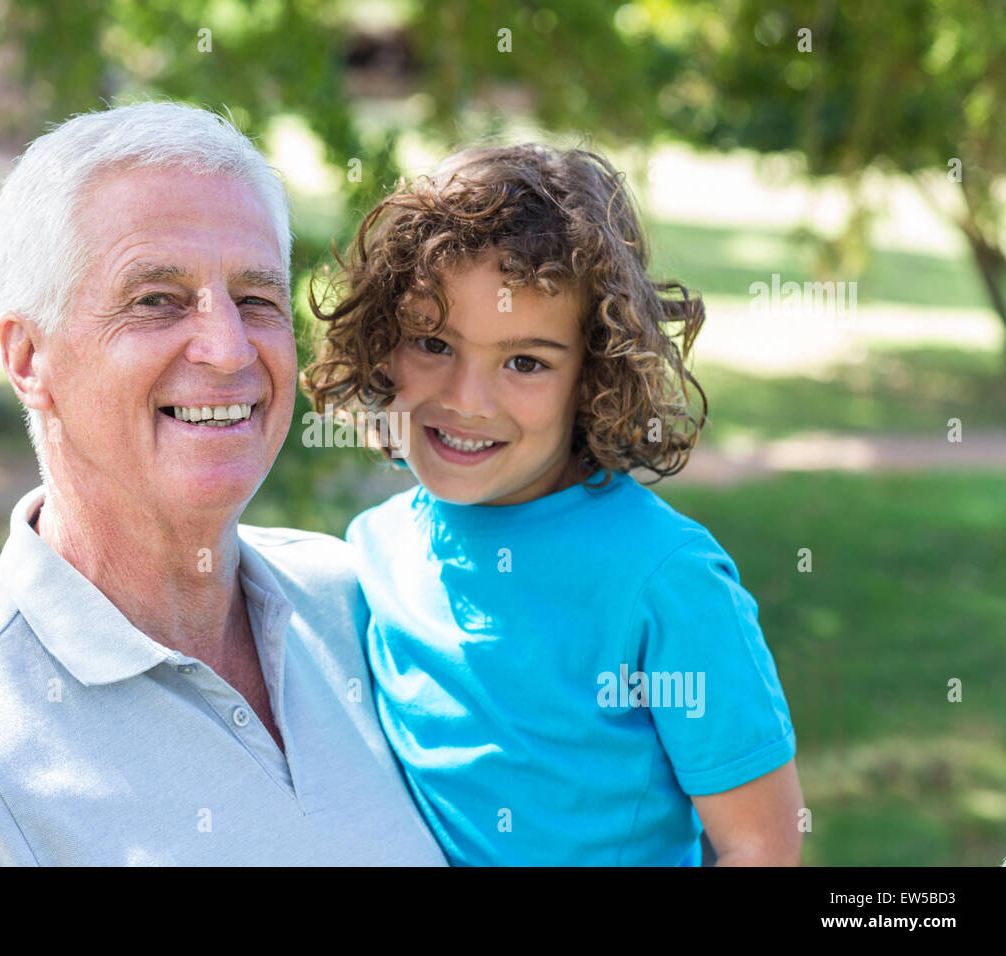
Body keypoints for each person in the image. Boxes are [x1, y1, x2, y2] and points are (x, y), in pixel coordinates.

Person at [0, 101, 446, 866]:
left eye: (256, 299)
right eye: (157, 300)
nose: (226, 349)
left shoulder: (363, 607)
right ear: (29, 359)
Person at [302, 142, 803, 866]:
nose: (466, 401)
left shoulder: (666, 580)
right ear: (382, 342)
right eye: (432, 343)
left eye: (525, 362)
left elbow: (761, 847)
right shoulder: (374, 549)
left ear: (593, 376)